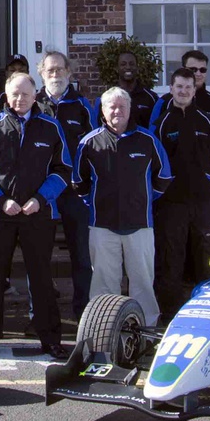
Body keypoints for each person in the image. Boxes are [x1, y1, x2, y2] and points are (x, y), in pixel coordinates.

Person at [0, 71, 72, 360]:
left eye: (25, 94)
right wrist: (0, 200)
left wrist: (41, 199)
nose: (20, 99)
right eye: (14, 93)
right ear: (6, 92)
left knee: (41, 279)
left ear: (35, 94)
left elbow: (64, 169)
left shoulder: (50, 127)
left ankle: (51, 340)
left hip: (38, 215)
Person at [74, 87, 172, 326]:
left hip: (140, 225)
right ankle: (102, 329)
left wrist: (143, 199)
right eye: (112, 106)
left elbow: (164, 177)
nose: (117, 111)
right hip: (102, 226)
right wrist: (97, 202)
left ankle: (146, 328)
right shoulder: (89, 142)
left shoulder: (147, 140)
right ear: (103, 111)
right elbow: (79, 182)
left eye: (122, 106)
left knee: (142, 283)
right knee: (104, 284)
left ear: (130, 110)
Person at [151, 67, 210, 319]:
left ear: (195, 89)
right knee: (172, 256)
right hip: (172, 203)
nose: (183, 91)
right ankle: (169, 313)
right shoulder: (161, 124)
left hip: (204, 201)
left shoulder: (207, 121)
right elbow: (156, 161)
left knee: (207, 254)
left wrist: (209, 180)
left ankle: (209, 309)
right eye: (179, 86)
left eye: (188, 87)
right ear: (171, 88)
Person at [36, 51, 99, 318]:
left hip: (75, 192)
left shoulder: (83, 106)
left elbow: (95, 147)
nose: (55, 75)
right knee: (39, 258)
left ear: (69, 73)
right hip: (40, 191)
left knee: (82, 257)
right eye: (50, 70)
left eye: (60, 70)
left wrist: (85, 183)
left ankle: (83, 312)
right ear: (42, 73)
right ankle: (40, 314)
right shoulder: (33, 103)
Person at [104, 49, 158, 128]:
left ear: (137, 67)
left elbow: (156, 128)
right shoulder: (107, 97)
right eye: (123, 64)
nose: (128, 67)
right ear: (117, 68)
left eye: (132, 64)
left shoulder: (151, 98)